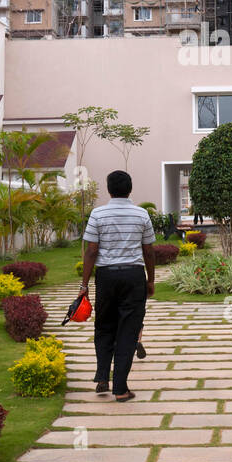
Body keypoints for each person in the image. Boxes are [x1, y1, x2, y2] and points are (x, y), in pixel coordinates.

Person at [80, 170, 155, 402]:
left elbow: (92, 250)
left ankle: (103, 375)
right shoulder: (141, 214)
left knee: (104, 326)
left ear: (109, 189)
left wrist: (84, 284)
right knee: (128, 330)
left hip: (106, 277)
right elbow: (148, 250)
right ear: (130, 189)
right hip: (133, 276)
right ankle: (120, 388)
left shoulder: (97, 214)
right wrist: (150, 280)